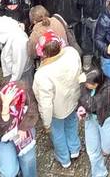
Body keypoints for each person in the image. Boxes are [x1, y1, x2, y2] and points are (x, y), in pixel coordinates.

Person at [33, 37, 84, 169]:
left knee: (58, 133)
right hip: (73, 100)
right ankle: (74, 149)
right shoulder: (72, 53)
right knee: (72, 124)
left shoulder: (42, 74)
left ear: (43, 53)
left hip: (57, 111)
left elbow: (46, 103)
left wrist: (46, 122)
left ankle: (64, 158)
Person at [0, 80, 38, 177]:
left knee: (28, 160)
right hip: (3, 135)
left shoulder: (24, 91)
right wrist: (5, 108)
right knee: (9, 172)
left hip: (22, 129)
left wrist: (23, 127)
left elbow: (33, 109)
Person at [81, 69, 110, 177]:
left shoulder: (109, 88)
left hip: (105, 119)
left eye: (88, 85)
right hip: (91, 119)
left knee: (107, 149)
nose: (86, 86)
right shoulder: (88, 82)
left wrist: (83, 101)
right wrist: (80, 109)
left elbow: (91, 104)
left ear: (96, 84)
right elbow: (82, 101)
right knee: (92, 151)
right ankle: (99, 173)